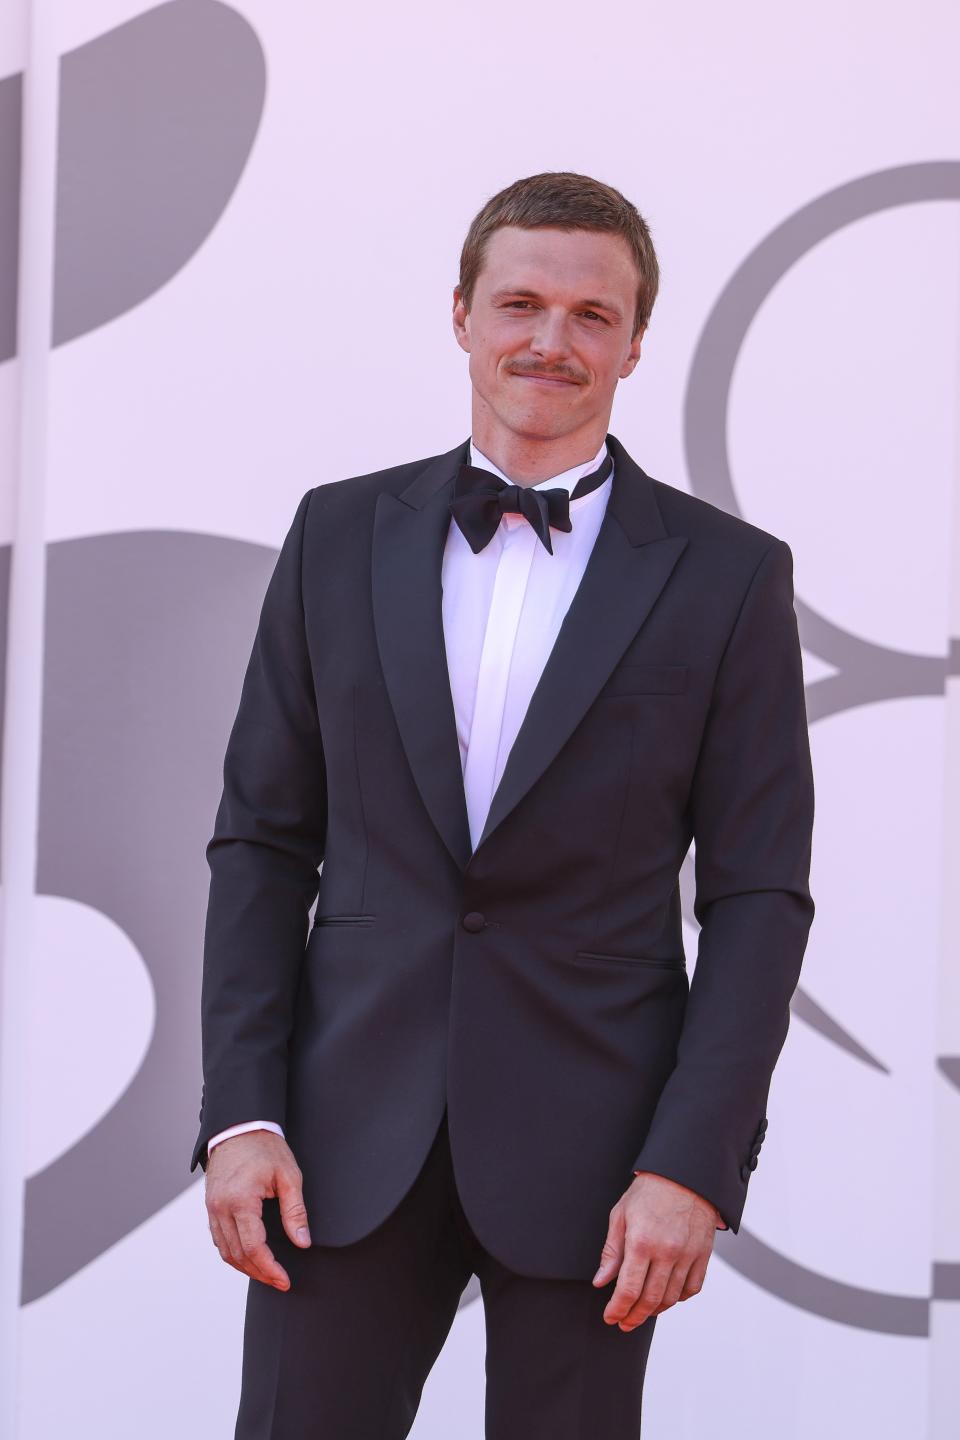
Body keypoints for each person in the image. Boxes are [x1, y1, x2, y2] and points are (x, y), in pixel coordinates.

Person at [191, 170, 815, 1439]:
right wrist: (240, 1114)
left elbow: (757, 897)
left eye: (593, 315)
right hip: (339, 1147)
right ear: (462, 314)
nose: (551, 339)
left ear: (637, 341)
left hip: (599, 1164)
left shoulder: (729, 579)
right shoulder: (336, 534)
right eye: (521, 303)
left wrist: (693, 1159)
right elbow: (263, 841)